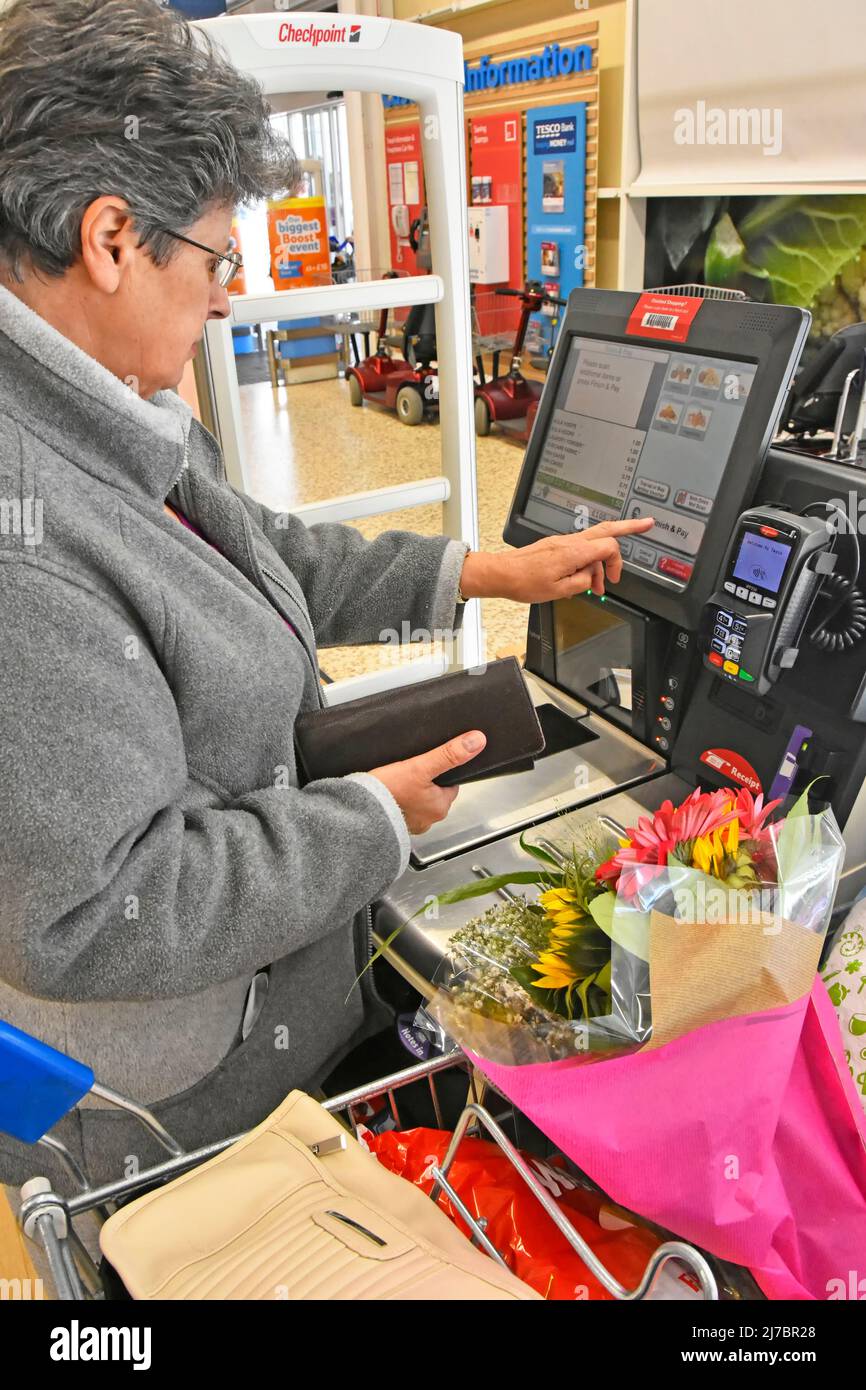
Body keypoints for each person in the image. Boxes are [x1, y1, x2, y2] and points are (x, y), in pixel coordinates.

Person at [0, 0, 653, 1216]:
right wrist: (370, 818)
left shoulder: (99, 395)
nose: (224, 297)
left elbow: (257, 555)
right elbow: (89, 916)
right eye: (211, 260)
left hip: (259, 994)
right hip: (180, 1103)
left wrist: (477, 571)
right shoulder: (23, 530)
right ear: (108, 240)